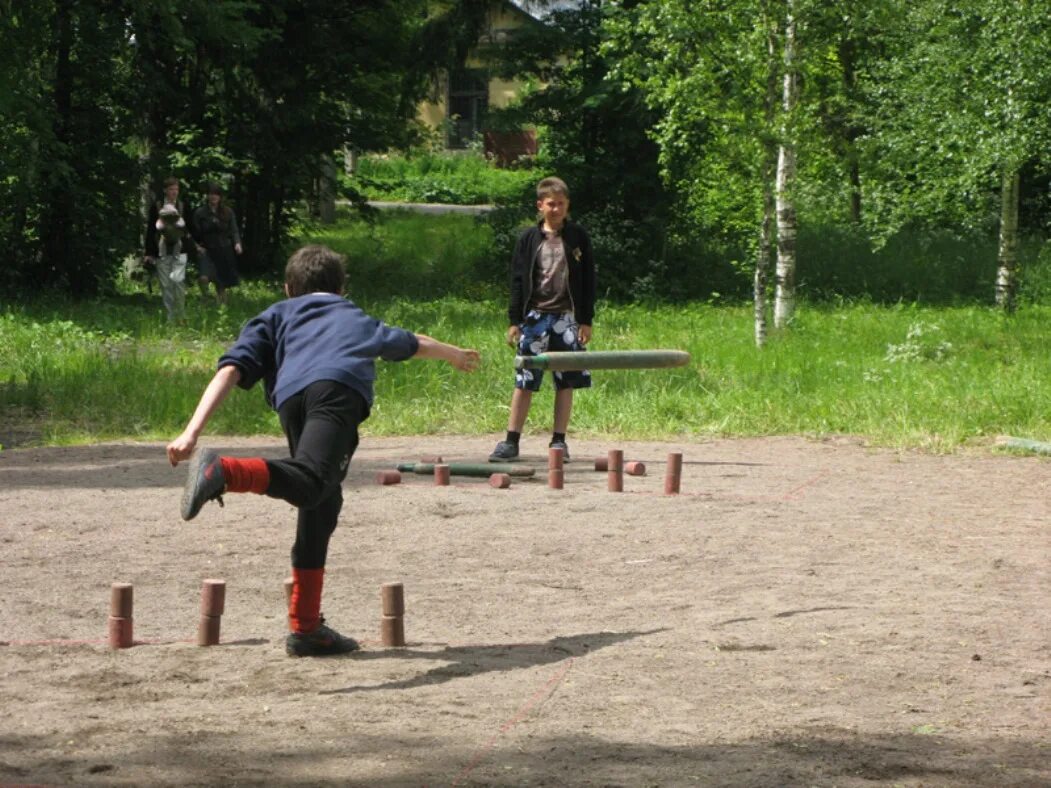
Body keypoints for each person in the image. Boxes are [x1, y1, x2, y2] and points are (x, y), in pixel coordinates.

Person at [166, 244, 480, 657]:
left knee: (322, 502)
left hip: (292, 400)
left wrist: (190, 432)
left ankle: (307, 628)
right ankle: (225, 471)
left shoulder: (275, 314)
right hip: (336, 391)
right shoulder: (354, 316)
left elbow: (231, 369)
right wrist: (454, 355)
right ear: (341, 287)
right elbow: (413, 343)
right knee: (313, 483)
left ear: (288, 287)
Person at [489, 176, 596, 463]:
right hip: (535, 317)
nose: (556, 209)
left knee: (566, 380)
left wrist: (585, 319)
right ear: (540, 205)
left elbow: (588, 280)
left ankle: (559, 441)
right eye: (551, 204)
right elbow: (517, 281)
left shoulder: (577, 237)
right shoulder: (528, 238)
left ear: (567, 205)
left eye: (561, 204)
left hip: (567, 318)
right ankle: (511, 441)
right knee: (525, 378)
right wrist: (515, 320)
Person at [144, 177, 190, 321]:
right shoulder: (156, 207)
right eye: (171, 189)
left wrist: (196, 246)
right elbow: (151, 230)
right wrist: (149, 253)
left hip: (180, 250)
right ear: (165, 190)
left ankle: (181, 315)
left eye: (176, 189)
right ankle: (170, 317)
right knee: (166, 285)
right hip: (161, 250)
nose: (174, 192)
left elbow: (190, 229)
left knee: (178, 281)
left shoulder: (184, 206)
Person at [191, 182, 243, 305]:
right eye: (211, 194)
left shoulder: (228, 212)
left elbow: (234, 230)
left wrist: (237, 243)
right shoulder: (200, 213)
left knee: (221, 282)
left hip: (224, 249)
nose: (214, 197)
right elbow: (193, 233)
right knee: (204, 277)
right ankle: (206, 298)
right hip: (206, 249)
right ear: (207, 196)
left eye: (216, 195)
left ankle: (222, 308)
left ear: (220, 197)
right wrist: (197, 247)